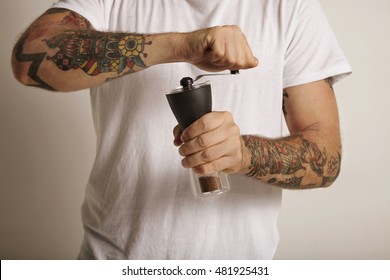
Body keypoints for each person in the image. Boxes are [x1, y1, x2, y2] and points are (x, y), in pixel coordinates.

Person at [11, 0, 351, 259]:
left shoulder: (288, 7)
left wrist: (245, 153)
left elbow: (326, 156)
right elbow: (32, 57)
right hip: (114, 258)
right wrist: (181, 46)